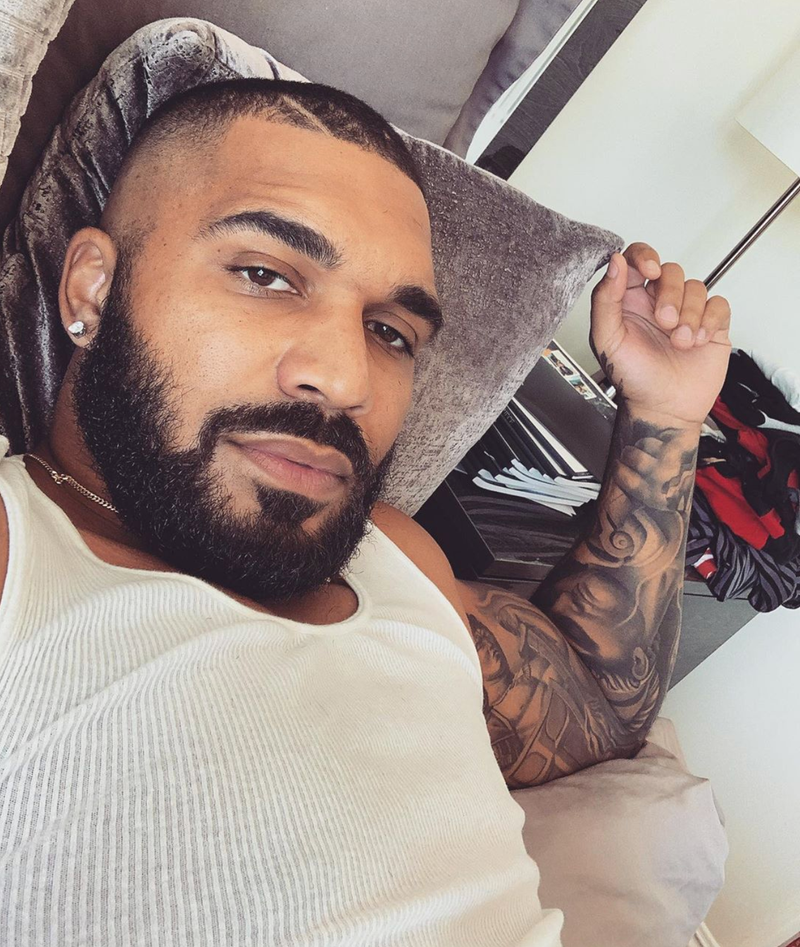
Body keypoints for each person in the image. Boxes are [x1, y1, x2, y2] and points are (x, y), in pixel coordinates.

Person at [0, 79, 731, 945]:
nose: (347, 380)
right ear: (91, 288)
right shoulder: (21, 558)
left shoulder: (397, 558)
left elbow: (604, 710)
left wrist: (666, 414)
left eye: (390, 333)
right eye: (266, 275)